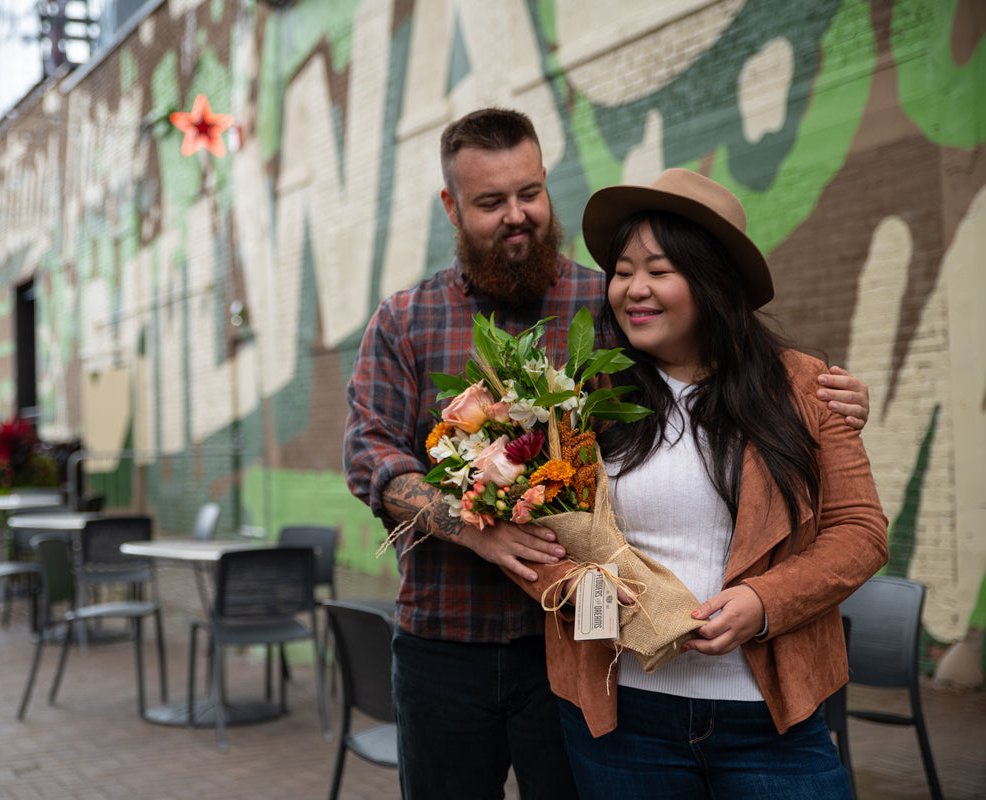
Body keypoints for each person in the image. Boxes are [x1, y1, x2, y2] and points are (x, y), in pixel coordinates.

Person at [342, 109, 870, 799]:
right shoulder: (405, 320)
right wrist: (475, 527)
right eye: (490, 202)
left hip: (579, 658)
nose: (517, 215)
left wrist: (834, 398)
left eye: (530, 193)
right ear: (451, 205)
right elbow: (368, 454)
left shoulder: (611, 305)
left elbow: (723, 363)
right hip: (450, 641)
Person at [510, 168, 888, 799]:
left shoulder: (804, 387)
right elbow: (534, 525)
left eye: (659, 270)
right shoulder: (585, 396)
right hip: (621, 717)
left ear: (715, 281)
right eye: (623, 270)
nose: (634, 289)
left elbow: (861, 532)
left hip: (770, 720)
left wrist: (763, 603)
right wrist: (580, 592)